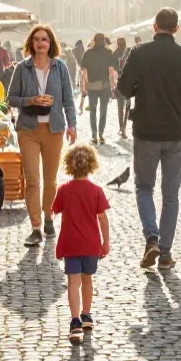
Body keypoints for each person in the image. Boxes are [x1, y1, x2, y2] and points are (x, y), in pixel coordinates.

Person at [117, 7, 181, 270]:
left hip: (145, 131)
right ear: (176, 28)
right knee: (171, 194)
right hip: (176, 133)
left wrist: (132, 83)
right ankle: (165, 253)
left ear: (154, 26)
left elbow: (123, 88)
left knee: (144, 188)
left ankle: (151, 238)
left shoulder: (139, 53)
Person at [8, 24, 77, 247]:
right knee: (32, 180)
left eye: (44, 39)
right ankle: (35, 227)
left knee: (50, 180)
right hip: (28, 129)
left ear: (50, 44)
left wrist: (72, 125)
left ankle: (49, 217)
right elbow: (11, 99)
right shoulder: (22, 68)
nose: (40, 43)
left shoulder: (60, 68)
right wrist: (31, 100)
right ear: (31, 43)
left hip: (54, 129)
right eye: (36, 39)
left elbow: (68, 99)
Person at [52, 143, 110, 343]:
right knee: (87, 281)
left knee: (73, 283)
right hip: (90, 245)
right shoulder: (96, 191)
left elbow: (55, 210)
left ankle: (75, 320)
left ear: (69, 165)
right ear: (92, 165)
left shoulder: (64, 190)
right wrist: (106, 242)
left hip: (71, 244)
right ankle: (86, 314)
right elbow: (102, 219)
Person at [80, 33, 118, 144]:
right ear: (104, 41)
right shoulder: (108, 52)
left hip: (92, 86)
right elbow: (113, 69)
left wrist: (84, 86)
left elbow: (83, 71)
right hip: (105, 86)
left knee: (93, 111)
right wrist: (113, 84)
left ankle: (94, 135)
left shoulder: (88, 53)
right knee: (103, 111)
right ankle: (100, 134)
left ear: (94, 40)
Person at [114, 38, 132, 139]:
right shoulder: (129, 52)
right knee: (126, 106)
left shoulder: (115, 54)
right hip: (128, 84)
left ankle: (122, 127)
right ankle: (123, 127)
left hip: (120, 84)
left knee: (121, 106)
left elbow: (112, 71)